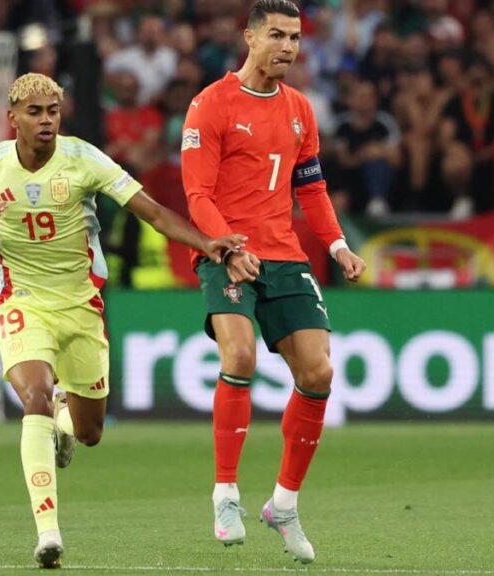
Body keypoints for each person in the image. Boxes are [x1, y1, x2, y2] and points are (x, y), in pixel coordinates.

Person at [0, 73, 244, 569]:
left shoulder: (84, 159)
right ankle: (48, 533)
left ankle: (66, 416)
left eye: (53, 111)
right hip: (21, 301)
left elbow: (150, 212)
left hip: (82, 306)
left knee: (89, 433)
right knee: (34, 397)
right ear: (12, 118)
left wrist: (205, 242)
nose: (46, 120)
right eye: (36, 112)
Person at [180, 0, 366, 564]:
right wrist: (226, 247)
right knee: (238, 357)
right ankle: (225, 493)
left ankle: (283, 504)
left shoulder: (300, 110)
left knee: (319, 371)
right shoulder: (209, 105)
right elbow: (197, 197)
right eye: (278, 35)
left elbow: (310, 188)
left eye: (296, 37)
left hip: (284, 257)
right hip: (224, 251)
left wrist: (336, 244)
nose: (289, 47)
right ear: (250, 38)